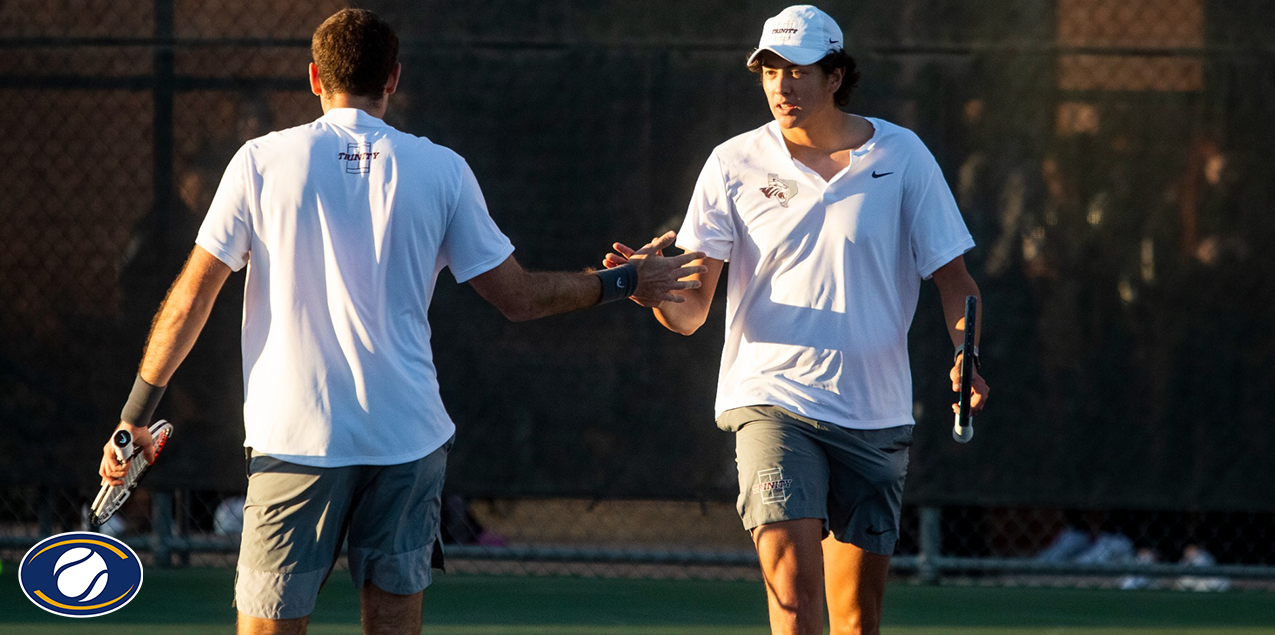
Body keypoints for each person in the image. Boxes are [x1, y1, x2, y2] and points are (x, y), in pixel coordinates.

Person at [98, 8, 704, 635]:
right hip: (407, 445)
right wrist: (628, 279)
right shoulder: (442, 169)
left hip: (296, 442)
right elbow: (518, 297)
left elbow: (190, 299)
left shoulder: (259, 161)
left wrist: (135, 417)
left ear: (313, 78)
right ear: (393, 79)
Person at [605, 6, 988, 634]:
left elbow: (956, 283)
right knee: (793, 603)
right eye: (770, 70)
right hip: (771, 400)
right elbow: (693, 311)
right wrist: (656, 294)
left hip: (875, 412)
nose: (782, 85)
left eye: (799, 70)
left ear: (835, 76)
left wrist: (964, 353)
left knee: (855, 620)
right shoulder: (732, 162)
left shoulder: (904, 155)